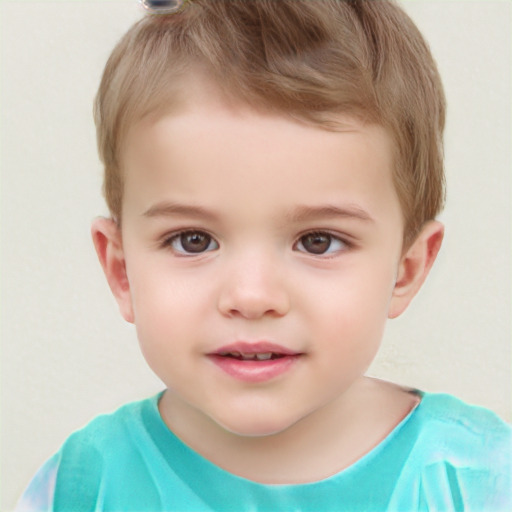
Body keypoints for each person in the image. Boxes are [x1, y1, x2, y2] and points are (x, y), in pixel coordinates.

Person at [17, 0, 511, 510]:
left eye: (318, 241)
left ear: (406, 269)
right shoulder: (86, 484)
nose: (252, 297)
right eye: (193, 240)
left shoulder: (477, 481)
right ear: (122, 271)